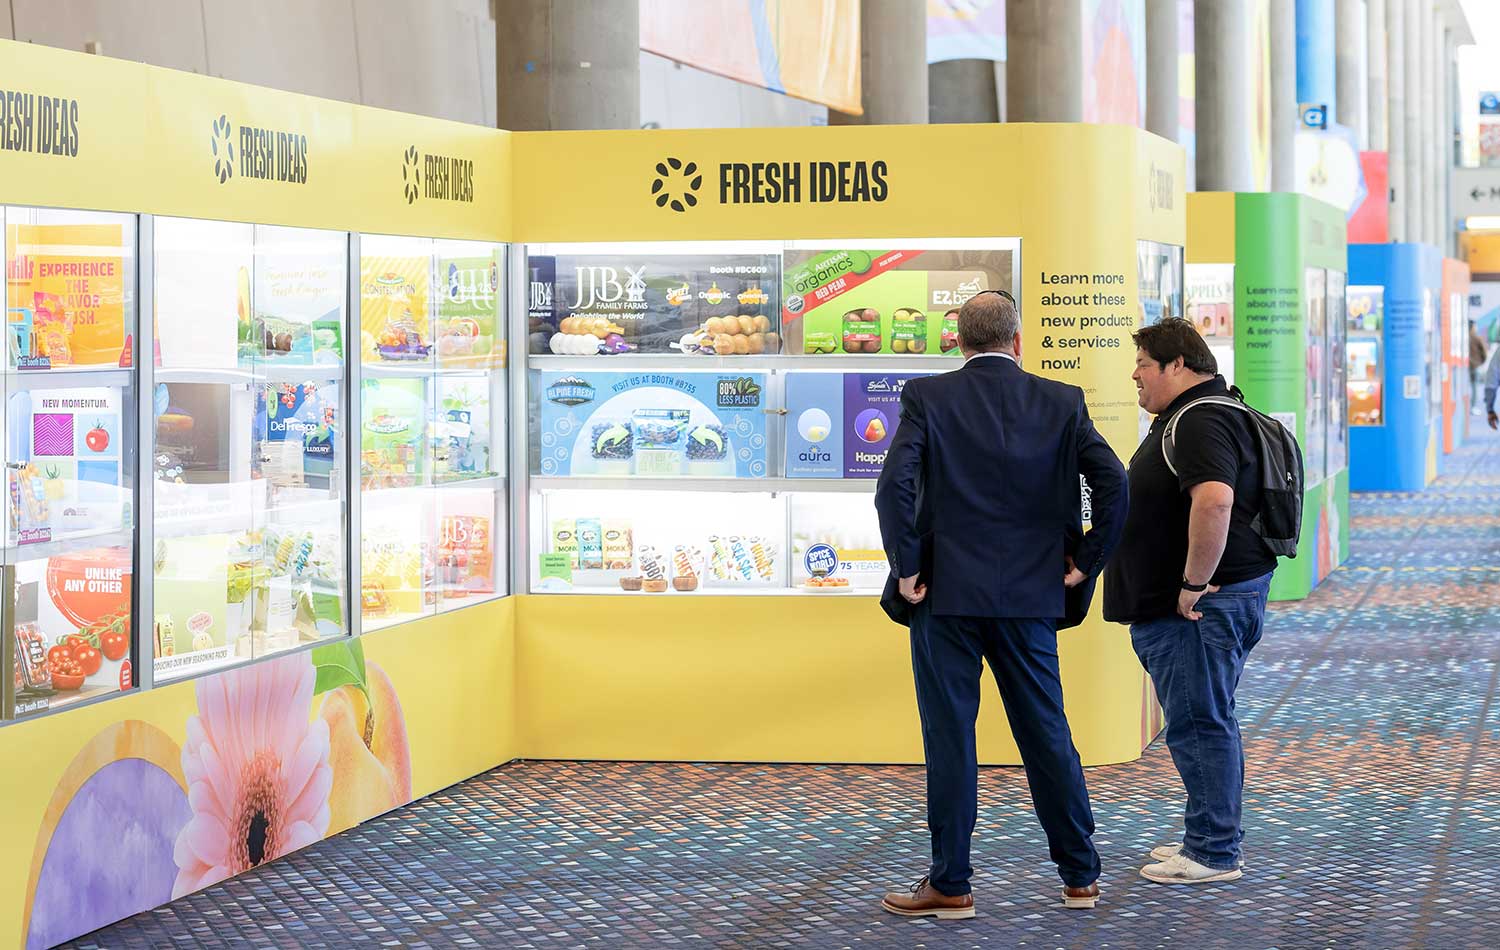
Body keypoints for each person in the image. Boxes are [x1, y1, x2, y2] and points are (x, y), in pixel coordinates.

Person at [873, 291, 1128, 917]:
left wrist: (907, 569)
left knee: (951, 737)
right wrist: (1084, 562)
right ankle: (1081, 877)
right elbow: (1115, 484)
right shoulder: (1062, 401)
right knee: (1047, 733)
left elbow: (894, 487)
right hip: (1032, 594)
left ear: (960, 341)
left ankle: (951, 884)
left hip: (946, 595)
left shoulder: (926, 397)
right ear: (1018, 341)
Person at [1104, 317, 1277, 885]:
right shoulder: (1208, 413)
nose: (1134, 374)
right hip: (1209, 605)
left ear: (1178, 365)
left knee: (1201, 724)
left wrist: (1193, 583)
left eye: (1144, 364)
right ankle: (1207, 832)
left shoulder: (1200, 421)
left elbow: (1215, 503)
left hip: (1199, 611)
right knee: (1205, 720)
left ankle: (1212, 851)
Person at [1469, 321, 1487, 415]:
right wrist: (1481, 362)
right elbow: (1484, 352)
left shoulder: (1464, 338)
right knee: (1474, 386)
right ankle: (1473, 407)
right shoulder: (1477, 338)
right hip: (1475, 366)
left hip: (1464, 367)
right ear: (1473, 327)